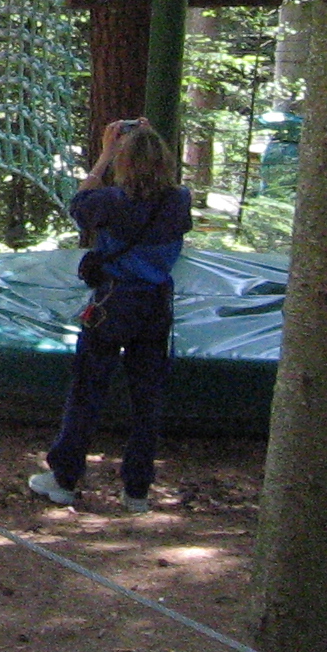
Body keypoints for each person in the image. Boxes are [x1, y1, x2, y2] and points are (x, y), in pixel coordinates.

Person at [29, 116, 193, 514]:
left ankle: (65, 478)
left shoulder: (111, 202)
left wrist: (104, 156)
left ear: (124, 162)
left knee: (88, 390)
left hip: (113, 303)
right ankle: (137, 490)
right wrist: (146, 137)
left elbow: (78, 207)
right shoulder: (179, 201)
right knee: (147, 399)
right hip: (155, 305)